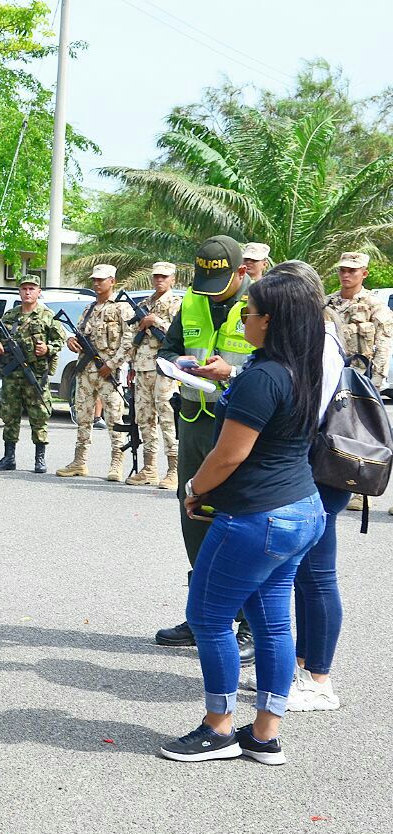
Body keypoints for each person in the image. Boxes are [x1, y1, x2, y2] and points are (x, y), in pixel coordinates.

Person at [160, 264, 326, 765]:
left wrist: (194, 488)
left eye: (249, 312)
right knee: (273, 622)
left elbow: (229, 454)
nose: (243, 317)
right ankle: (265, 733)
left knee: (208, 617)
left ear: (271, 321)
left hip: (258, 516)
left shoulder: (263, 377)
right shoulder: (306, 367)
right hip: (301, 511)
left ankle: (218, 728)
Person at [154, 236, 256, 663]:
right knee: (192, 508)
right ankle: (203, 615)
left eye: (219, 280)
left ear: (241, 272)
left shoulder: (261, 303)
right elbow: (168, 347)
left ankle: (250, 623)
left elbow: (280, 360)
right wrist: (176, 362)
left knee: (243, 517)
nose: (210, 289)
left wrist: (231, 369)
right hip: (195, 420)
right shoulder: (192, 301)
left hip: (241, 423)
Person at [288, 261, 350, 712]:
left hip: (321, 468)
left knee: (319, 574)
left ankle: (320, 679)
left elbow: (309, 413)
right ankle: (302, 666)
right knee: (306, 575)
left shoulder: (322, 343)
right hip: (311, 466)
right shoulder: (313, 337)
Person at [324, 252, 393, 513]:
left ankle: (361, 488)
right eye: (342, 269)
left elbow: (384, 344)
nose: (346, 274)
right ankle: (332, 479)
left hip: (360, 382)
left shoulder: (376, 306)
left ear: (364, 273)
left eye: (352, 270)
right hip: (332, 376)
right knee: (330, 431)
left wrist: (375, 383)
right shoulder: (327, 303)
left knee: (363, 436)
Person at [56, 264, 132, 481]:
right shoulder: (88, 309)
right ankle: (79, 462)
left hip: (108, 372)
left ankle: (117, 463)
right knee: (83, 417)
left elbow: (128, 341)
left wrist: (114, 364)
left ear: (112, 281)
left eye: (101, 280)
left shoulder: (121, 308)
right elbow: (79, 334)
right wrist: (71, 341)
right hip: (86, 372)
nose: (97, 283)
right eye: (95, 280)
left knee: (114, 418)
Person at [0, 275, 64, 473]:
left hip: (36, 374)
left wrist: (47, 349)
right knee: (9, 414)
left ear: (39, 292)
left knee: (39, 415)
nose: (28, 292)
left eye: (32, 288)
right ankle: (9, 458)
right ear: (19, 291)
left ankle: (39, 459)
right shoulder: (9, 316)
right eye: (24, 288)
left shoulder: (48, 316)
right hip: (12, 374)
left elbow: (59, 342)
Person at [125, 261, 183, 489]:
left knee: (167, 418)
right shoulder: (142, 304)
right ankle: (149, 468)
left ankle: (174, 470)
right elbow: (131, 335)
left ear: (173, 280)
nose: (159, 280)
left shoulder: (177, 304)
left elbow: (179, 335)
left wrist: (155, 320)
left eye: (164, 277)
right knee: (145, 418)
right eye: (156, 276)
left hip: (164, 369)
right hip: (142, 368)